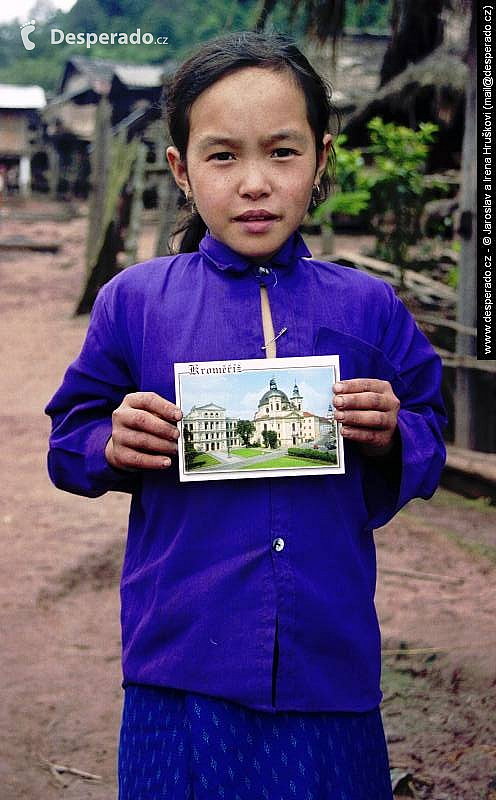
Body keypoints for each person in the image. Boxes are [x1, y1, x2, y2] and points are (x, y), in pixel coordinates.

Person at [46, 31, 446, 800]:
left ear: (322, 160)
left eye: (283, 153)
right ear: (181, 170)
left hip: (327, 659)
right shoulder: (135, 303)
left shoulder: (367, 306)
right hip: (182, 656)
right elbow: (70, 438)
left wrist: (396, 430)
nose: (255, 183)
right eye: (223, 155)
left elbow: (430, 419)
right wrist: (109, 440)